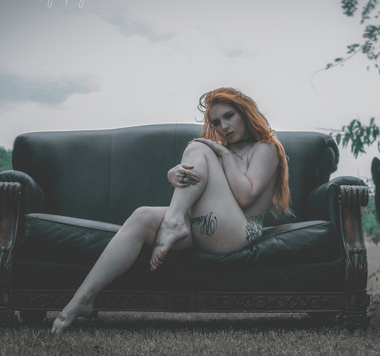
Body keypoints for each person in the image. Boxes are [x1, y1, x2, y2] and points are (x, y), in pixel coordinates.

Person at [51, 87, 291, 334]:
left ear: (245, 112)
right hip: (206, 227)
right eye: (216, 122)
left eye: (229, 116)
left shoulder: (265, 148)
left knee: (198, 147)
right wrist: (173, 175)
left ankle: (173, 222)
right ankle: (83, 299)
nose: (224, 127)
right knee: (142, 216)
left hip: (240, 233)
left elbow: (245, 197)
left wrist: (222, 154)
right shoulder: (218, 152)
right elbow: (208, 195)